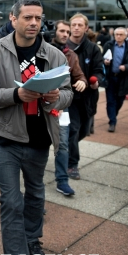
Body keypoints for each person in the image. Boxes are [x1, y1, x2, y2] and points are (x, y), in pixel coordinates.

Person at [0, 0, 72, 255]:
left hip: (39, 138)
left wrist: (56, 97)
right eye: (28, 17)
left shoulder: (55, 55)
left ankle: (32, 240)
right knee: (10, 200)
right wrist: (16, 95)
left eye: (38, 18)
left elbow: (68, 95)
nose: (34, 23)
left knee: (35, 194)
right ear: (13, 18)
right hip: (6, 138)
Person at [50, 20, 87, 196]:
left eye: (67, 31)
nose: (65, 34)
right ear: (54, 32)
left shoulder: (71, 55)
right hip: (39, 105)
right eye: (62, 31)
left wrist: (81, 81)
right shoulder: (42, 49)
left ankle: (62, 180)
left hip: (62, 107)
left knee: (62, 144)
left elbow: (80, 76)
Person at [66, 13, 104, 180]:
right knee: (73, 129)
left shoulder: (93, 49)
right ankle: (72, 164)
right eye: (73, 24)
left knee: (83, 130)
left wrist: (95, 82)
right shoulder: (63, 48)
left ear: (86, 28)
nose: (76, 28)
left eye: (80, 25)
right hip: (70, 97)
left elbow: (99, 71)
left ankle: (66, 147)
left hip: (88, 97)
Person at [102, 28, 128, 132]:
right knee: (110, 101)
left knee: (119, 100)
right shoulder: (108, 45)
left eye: (120, 34)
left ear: (125, 36)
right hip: (110, 77)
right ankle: (112, 122)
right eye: (116, 34)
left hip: (124, 78)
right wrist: (105, 62)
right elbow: (100, 58)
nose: (118, 36)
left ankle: (113, 114)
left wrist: (126, 67)